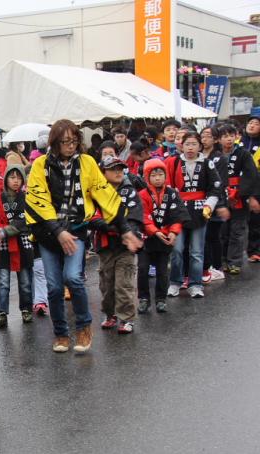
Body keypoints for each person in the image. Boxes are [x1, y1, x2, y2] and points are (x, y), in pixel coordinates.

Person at [25, 119, 142, 354]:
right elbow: (37, 201)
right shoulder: (40, 165)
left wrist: (125, 228)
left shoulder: (87, 163)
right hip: (48, 233)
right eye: (65, 141)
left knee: (73, 278)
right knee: (54, 287)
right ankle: (60, 333)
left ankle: (84, 327)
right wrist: (58, 232)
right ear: (55, 142)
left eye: (74, 140)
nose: (71, 145)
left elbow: (105, 195)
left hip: (76, 230)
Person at [164, 130, 226, 298]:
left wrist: (210, 205)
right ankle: (175, 282)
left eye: (194, 144)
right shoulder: (173, 162)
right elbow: (167, 187)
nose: (190, 148)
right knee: (177, 250)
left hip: (200, 210)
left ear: (200, 145)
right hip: (178, 211)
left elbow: (216, 186)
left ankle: (195, 284)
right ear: (181, 146)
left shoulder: (207, 163)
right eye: (187, 144)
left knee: (197, 251)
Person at [90, 156, 143, 334]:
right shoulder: (95, 192)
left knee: (124, 283)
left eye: (120, 168)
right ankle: (109, 314)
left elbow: (135, 217)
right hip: (104, 245)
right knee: (107, 283)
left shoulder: (129, 192)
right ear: (103, 173)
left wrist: (130, 235)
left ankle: (127, 318)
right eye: (113, 169)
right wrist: (108, 226)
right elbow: (91, 217)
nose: (118, 172)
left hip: (125, 246)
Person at [0, 164, 33, 328]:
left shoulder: (27, 198)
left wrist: (4, 230)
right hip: (3, 245)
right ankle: (2, 312)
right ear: (5, 180)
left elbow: (25, 222)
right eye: (12, 177)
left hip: (22, 243)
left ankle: (26, 309)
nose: (16, 181)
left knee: (25, 281)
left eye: (19, 177)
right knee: (3, 281)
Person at [137, 159, 189, 313]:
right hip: (146, 239)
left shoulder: (172, 193)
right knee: (142, 269)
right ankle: (144, 299)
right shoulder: (142, 194)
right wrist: (155, 231)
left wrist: (173, 232)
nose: (158, 178)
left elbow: (177, 215)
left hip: (165, 238)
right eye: (154, 175)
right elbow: (143, 216)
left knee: (162, 271)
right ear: (147, 177)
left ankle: (161, 299)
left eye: (161, 174)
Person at [219, 124, 260, 275]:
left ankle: (234, 261)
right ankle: (222, 260)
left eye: (231, 135)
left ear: (236, 136)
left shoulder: (243, 154)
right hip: (220, 196)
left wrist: (248, 195)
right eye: (225, 136)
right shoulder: (216, 155)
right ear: (219, 139)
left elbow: (252, 175)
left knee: (238, 230)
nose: (229, 139)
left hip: (239, 196)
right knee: (223, 230)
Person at [200, 125, 228, 281]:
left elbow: (220, 182)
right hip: (199, 201)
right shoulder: (197, 155)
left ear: (215, 139)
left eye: (208, 136)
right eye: (202, 135)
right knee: (203, 237)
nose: (205, 138)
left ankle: (217, 266)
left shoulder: (219, 157)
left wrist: (220, 204)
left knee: (213, 235)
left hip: (215, 199)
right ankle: (206, 265)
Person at [242, 116, 260, 262]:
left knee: (255, 220)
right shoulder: (238, 142)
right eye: (250, 123)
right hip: (237, 186)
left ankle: (254, 250)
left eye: (256, 124)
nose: (252, 126)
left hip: (256, 185)